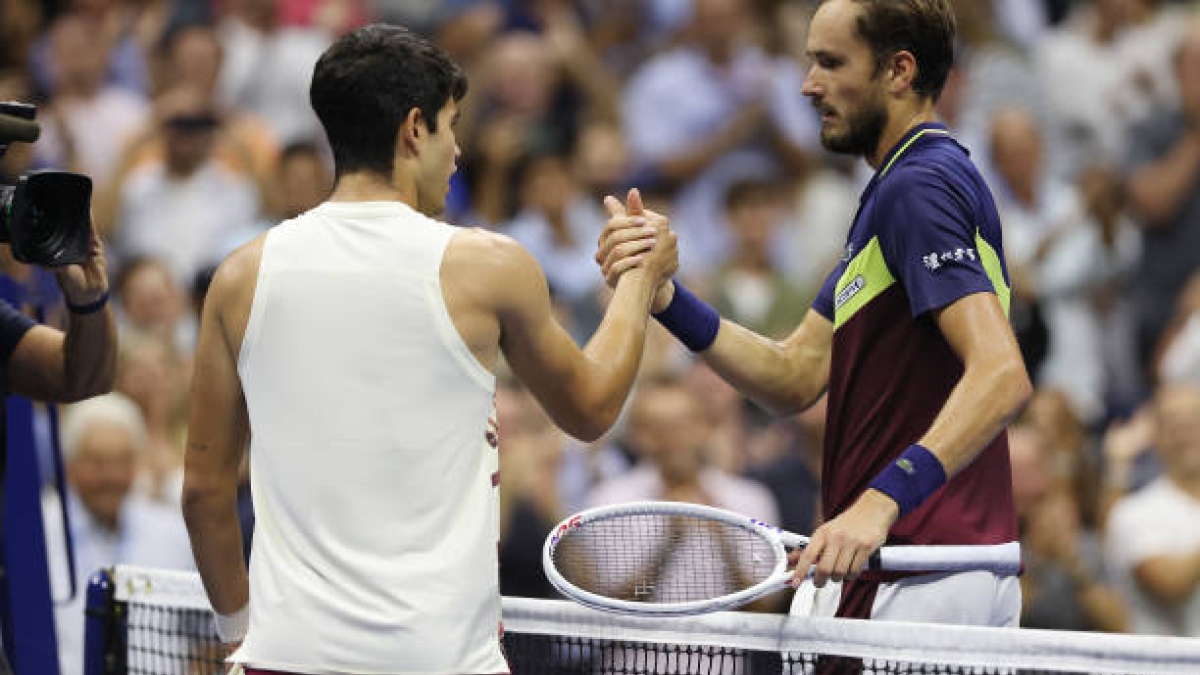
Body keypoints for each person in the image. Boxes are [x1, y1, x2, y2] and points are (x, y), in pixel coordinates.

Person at [181, 24, 676, 675]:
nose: (460, 150)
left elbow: (204, 493)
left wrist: (237, 634)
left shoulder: (239, 276)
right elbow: (591, 408)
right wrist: (638, 278)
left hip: (285, 656)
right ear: (415, 130)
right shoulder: (487, 265)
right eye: (452, 125)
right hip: (438, 660)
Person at [599, 0, 1031, 626]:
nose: (808, 85)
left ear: (899, 71)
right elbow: (794, 373)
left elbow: (1001, 373)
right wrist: (664, 295)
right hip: (930, 566)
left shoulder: (920, 186)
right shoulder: (898, 192)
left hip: (920, 570)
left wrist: (880, 502)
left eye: (830, 63)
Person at [42, 393, 195, 675]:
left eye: (121, 462)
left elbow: (204, 640)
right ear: (69, 465)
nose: (110, 477)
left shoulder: (174, 534)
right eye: (96, 462)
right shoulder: (36, 535)